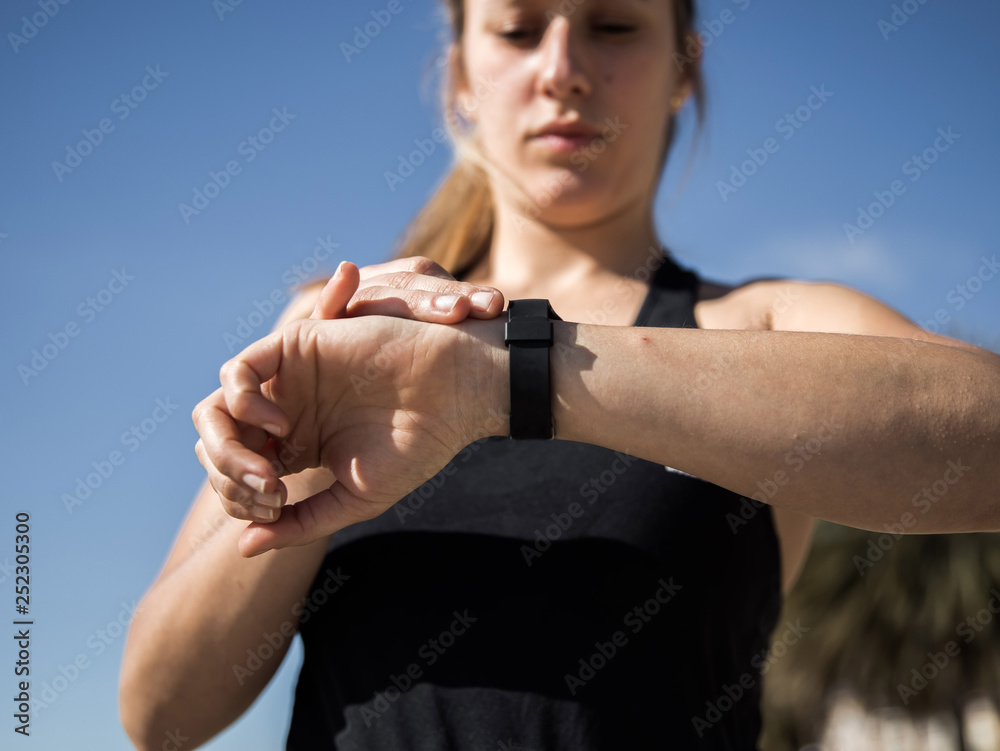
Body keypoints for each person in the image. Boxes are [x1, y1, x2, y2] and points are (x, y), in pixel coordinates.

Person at [119, 0, 1000, 749]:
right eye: (518, 29)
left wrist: (506, 374)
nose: (564, 69)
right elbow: (160, 713)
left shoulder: (762, 325)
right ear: (460, 72)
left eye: (613, 26)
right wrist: (298, 455)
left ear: (684, 69)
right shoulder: (340, 333)